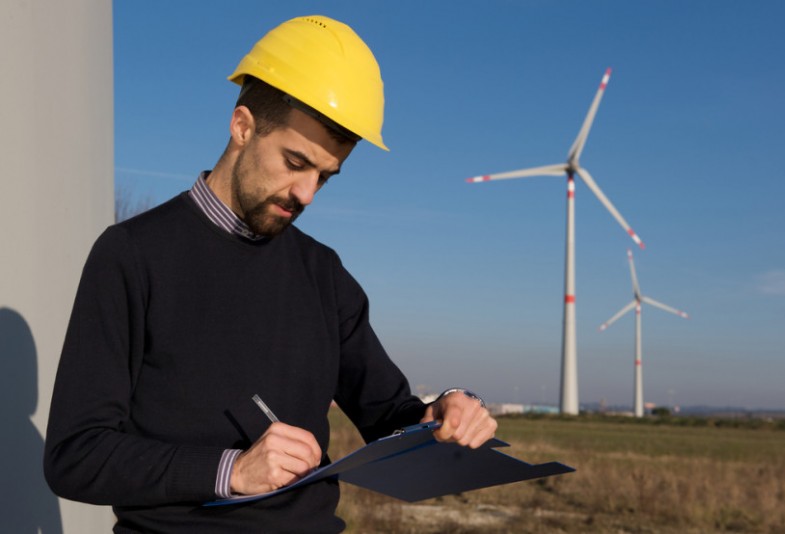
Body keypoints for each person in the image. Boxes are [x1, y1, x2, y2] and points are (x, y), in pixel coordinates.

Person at [43, 14, 497, 533]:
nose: (306, 193)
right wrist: (230, 471)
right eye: (295, 162)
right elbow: (75, 456)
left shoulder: (323, 274)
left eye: (325, 177)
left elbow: (390, 416)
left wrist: (445, 414)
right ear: (242, 126)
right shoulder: (131, 255)